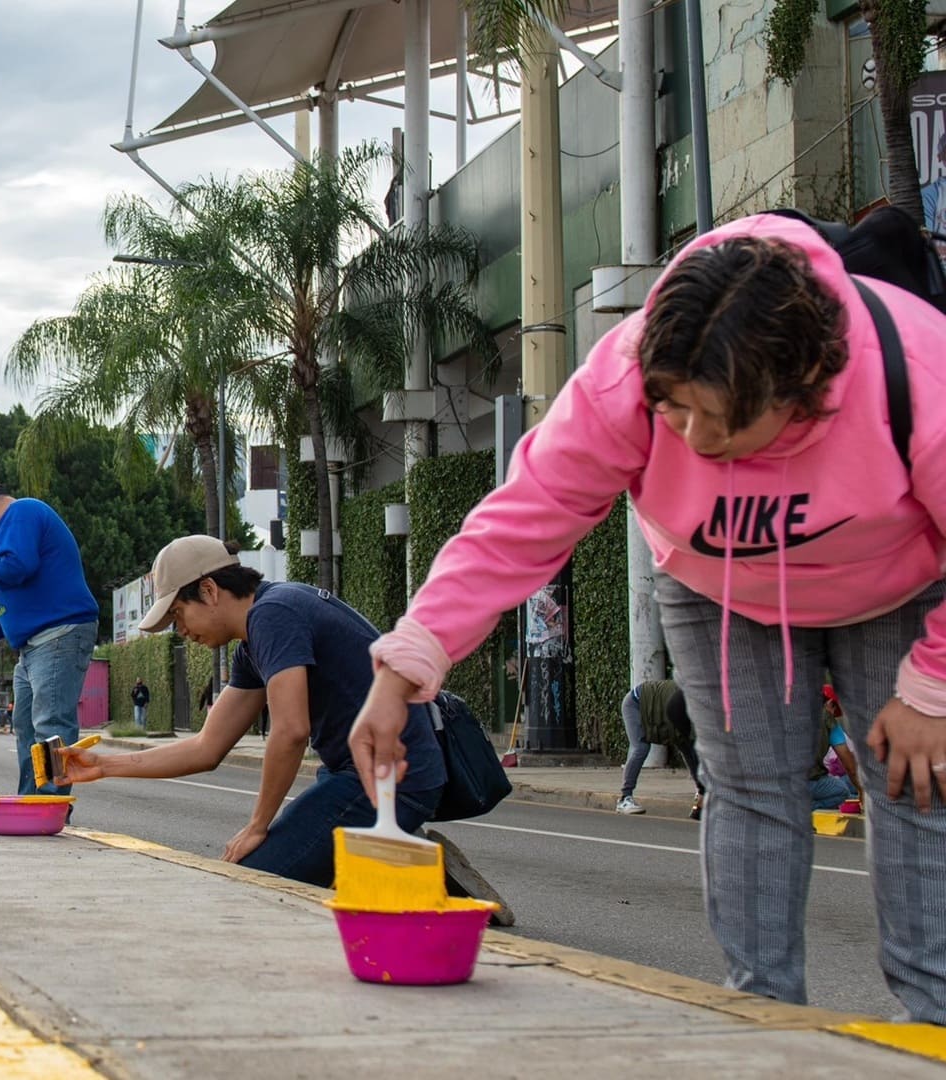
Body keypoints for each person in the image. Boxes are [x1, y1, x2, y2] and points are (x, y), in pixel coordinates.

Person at [348, 214, 946, 1022]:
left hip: (898, 587)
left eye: (721, 422)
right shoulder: (623, 376)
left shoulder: (914, 366)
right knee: (749, 789)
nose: (693, 439)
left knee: (917, 787)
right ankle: (763, 1018)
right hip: (718, 587)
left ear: (802, 382)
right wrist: (405, 663)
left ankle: (935, 1020)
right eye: (674, 413)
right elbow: (525, 516)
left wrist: (933, 689)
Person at [58, 536, 445, 883]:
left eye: (177, 614)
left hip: (391, 779)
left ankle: (417, 872)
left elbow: (291, 730)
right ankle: (405, 868)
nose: (182, 632)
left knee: (257, 878)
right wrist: (104, 765)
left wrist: (258, 825)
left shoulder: (273, 615)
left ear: (208, 590)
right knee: (287, 866)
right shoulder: (254, 640)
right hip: (357, 773)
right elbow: (207, 747)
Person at [0, 478, 98, 796]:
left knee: (51, 724)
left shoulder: (21, 513)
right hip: (33, 645)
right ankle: (31, 800)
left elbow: (18, 567)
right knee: (27, 727)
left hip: (58, 634)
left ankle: (51, 802)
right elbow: (7, 607)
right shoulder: (8, 538)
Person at [617, 678, 706, 818]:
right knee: (640, 747)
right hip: (635, 703)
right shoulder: (690, 702)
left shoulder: (696, 700)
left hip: (660, 710)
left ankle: (700, 795)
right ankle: (624, 799)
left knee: (685, 746)